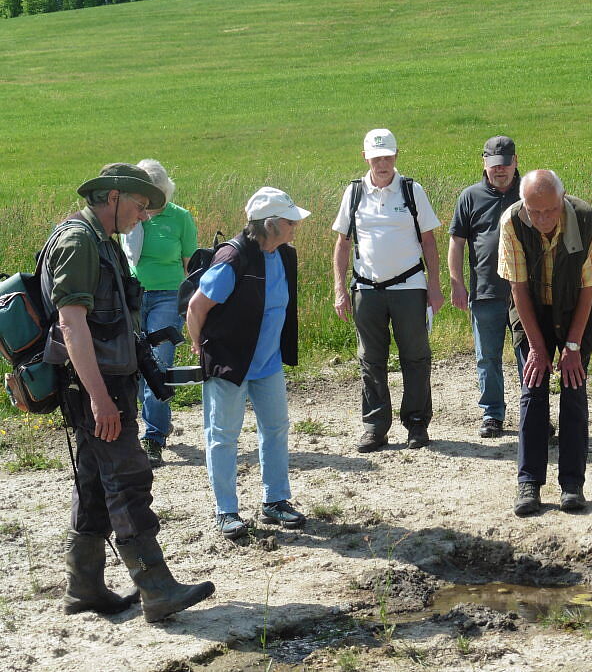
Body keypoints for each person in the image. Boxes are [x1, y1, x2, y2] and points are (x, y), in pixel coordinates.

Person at [41, 163, 214, 622]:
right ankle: (156, 588)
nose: (143, 217)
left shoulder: (100, 240)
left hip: (102, 382)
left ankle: (85, 588)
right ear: (114, 197)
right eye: (139, 208)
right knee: (129, 478)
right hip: (96, 387)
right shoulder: (80, 242)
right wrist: (99, 398)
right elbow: (71, 324)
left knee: (95, 481)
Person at [186, 187, 310, 540]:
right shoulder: (233, 258)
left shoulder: (285, 256)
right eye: (290, 222)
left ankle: (276, 501)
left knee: (276, 428)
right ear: (270, 225)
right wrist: (199, 346)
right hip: (229, 362)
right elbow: (196, 308)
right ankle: (226, 511)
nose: (295, 227)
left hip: (267, 363)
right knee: (223, 436)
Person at [498, 169, 592, 516]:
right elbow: (517, 288)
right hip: (532, 309)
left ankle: (572, 485)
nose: (543, 219)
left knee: (574, 388)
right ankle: (529, 483)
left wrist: (573, 347)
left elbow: (589, 287)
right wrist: (537, 347)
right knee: (532, 388)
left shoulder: (587, 220)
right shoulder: (512, 222)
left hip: (576, 308)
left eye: (550, 210)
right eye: (535, 211)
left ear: (562, 201)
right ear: (524, 204)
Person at [332, 129, 445, 453]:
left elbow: (429, 242)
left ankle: (417, 425)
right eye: (376, 157)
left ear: (396, 156)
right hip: (366, 289)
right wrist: (340, 290)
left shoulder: (412, 190)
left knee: (416, 357)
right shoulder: (354, 193)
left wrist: (434, 288)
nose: (382, 163)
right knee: (370, 359)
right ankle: (375, 428)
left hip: (409, 286)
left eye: (387, 156)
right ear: (365, 157)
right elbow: (342, 244)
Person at [120, 159, 197, 467]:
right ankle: (154, 424)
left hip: (168, 296)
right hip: (134, 298)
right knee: (136, 364)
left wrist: (192, 307)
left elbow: (191, 265)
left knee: (157, 364)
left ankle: (153, 438)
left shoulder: (180, 218)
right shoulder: (128, 217)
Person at [448, 135, 522, 438]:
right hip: (485, 291)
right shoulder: (470, 197)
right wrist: (457, 284)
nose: (500, 171)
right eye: (494, 166)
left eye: (505, 165)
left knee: (529, 356)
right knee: (487, 356)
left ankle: (535, 413)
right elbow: (457, 243)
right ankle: (492, 415)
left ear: (515, 162)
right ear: (484, 163)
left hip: (525, 293)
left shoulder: (530, 191)